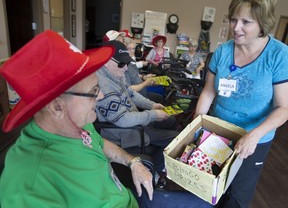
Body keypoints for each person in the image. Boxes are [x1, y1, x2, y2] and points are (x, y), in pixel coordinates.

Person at [0, 30, 213, 208]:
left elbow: (100, 143)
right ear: (57, 106)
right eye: (93, 91)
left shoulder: (79, 126)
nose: (100, 96)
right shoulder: (28, 184)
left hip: (130, 197)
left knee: (205, 201)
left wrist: (133, 162)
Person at [193, 0, 288, 207]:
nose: (236, 27)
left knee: (237, 195)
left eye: (246, 22)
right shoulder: (223, 52)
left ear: (263, 23)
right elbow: (209, 92)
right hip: (218, 130)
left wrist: (254, 136)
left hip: (255, 137)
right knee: (212, 184)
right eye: (233, 19)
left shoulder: (279, 55)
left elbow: (284, 107)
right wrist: (197, 122)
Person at [94, 40, 179, 175]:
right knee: (176, 140)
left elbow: (132, 94)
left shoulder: (116, 74)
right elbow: (122, 120)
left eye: (127, 63)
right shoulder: (103, 86)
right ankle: (154, 172)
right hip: (125, 132)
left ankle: (159, 160)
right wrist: (151, 115)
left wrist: (151, 105)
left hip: (134, 122)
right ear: (105, 61)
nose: (126, 68)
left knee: (170, 121)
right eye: (122, 64)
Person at [123, 36, 164, 104]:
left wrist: (144, 77)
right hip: (137, 95)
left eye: (133, 49)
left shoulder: (130, 63)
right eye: (129, 49)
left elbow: (134, 74)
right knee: (160, 97)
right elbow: (128, 90)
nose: (132, 51)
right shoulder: (124, 66)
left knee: (160, 96)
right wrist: (145, 83)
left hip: (142, 89)